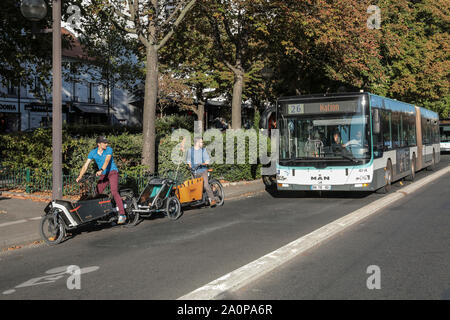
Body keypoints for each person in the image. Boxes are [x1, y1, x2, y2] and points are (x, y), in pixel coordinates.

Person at [76, 136, 126, 224]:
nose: (106, 144)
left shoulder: (109, 150)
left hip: (112, 172)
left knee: (114, 191)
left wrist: (101, 170)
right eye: (104, 143)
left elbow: (107, 161)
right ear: (99, 144)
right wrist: (80, 176)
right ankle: (100, 214)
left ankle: (122, 214)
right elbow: (85, 165)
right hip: (103, 175)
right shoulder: (93, 153)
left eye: (107, 142)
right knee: (96, 193)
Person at [186, 137, 216, 206]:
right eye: (201, 142)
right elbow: (189, 161)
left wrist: (204, 163)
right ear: (197, 143)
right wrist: (190, 168)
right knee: (194, 187)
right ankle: (196, 200)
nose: (203, 143)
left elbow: (207, 160)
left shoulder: (203, 150)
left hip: (203, 171)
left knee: (205, 185)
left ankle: (213, 199)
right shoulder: (190, 150)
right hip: (194, 172)